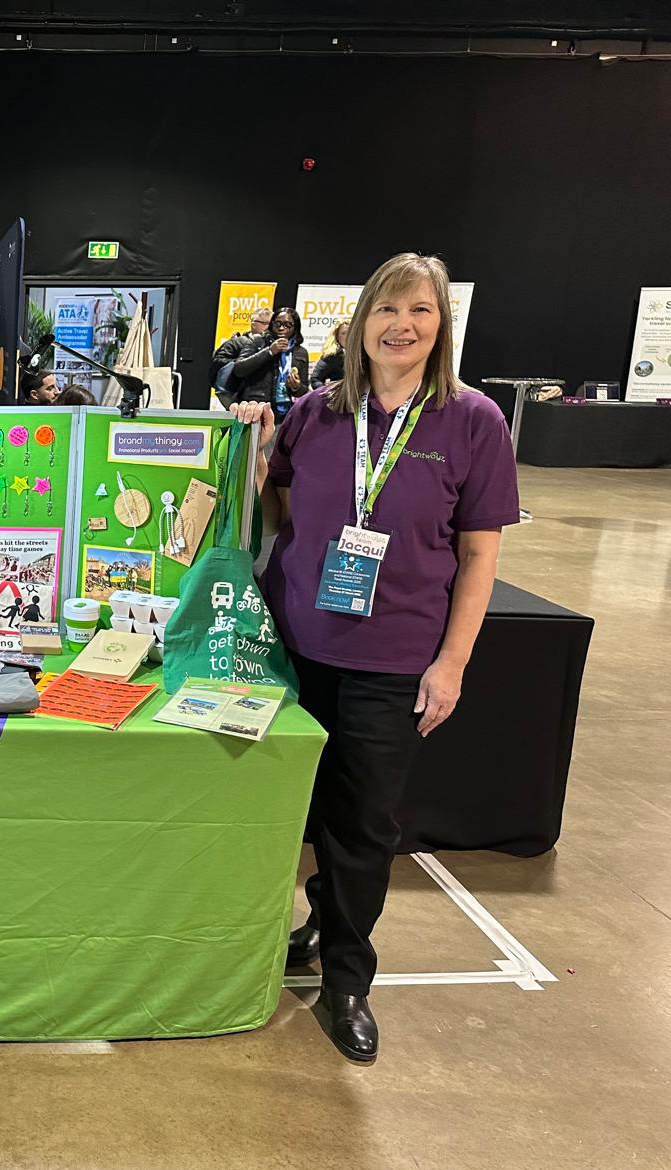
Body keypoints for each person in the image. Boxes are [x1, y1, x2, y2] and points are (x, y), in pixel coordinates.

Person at [232, 252, 519, 1063]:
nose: (402, 326)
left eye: (420, 312)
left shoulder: (472, 422)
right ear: (359, 324)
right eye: (387, 310)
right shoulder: (320, 413)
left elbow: (478, 558)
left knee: (362, 823)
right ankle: (320, 916)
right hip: (294, 650)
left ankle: (349, 979)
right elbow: (278, 504)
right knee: (304, 808)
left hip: (392, 659)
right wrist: (254, 453)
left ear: (441, 326)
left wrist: (452, 662)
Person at [230, 307, 310, 420]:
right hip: (255, 408)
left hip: (284, 413)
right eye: (278, 324)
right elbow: (239, 370)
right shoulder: (257, 341)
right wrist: (270, 352)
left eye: (288, 325)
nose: (282, 328)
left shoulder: (300, 352)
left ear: (295, 328)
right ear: (271, 325)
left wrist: (296, 387)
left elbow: (303, 392)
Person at [211, 306, 271, 403]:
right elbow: (217, 361)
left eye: (271, 324)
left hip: (257, 395)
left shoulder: (272, 345)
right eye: (265, 323)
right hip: (232, 392)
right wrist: (241, 364)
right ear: (253, 324)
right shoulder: (237, 342)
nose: (269, 327)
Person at [311, 319, 350, 386]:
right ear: (337, 336)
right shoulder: (332, 355)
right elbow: (315, 379)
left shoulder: (364, 353)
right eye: (343, 333)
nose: (347, 337)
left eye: (350, 333)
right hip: (341, 395)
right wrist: (327, 394)